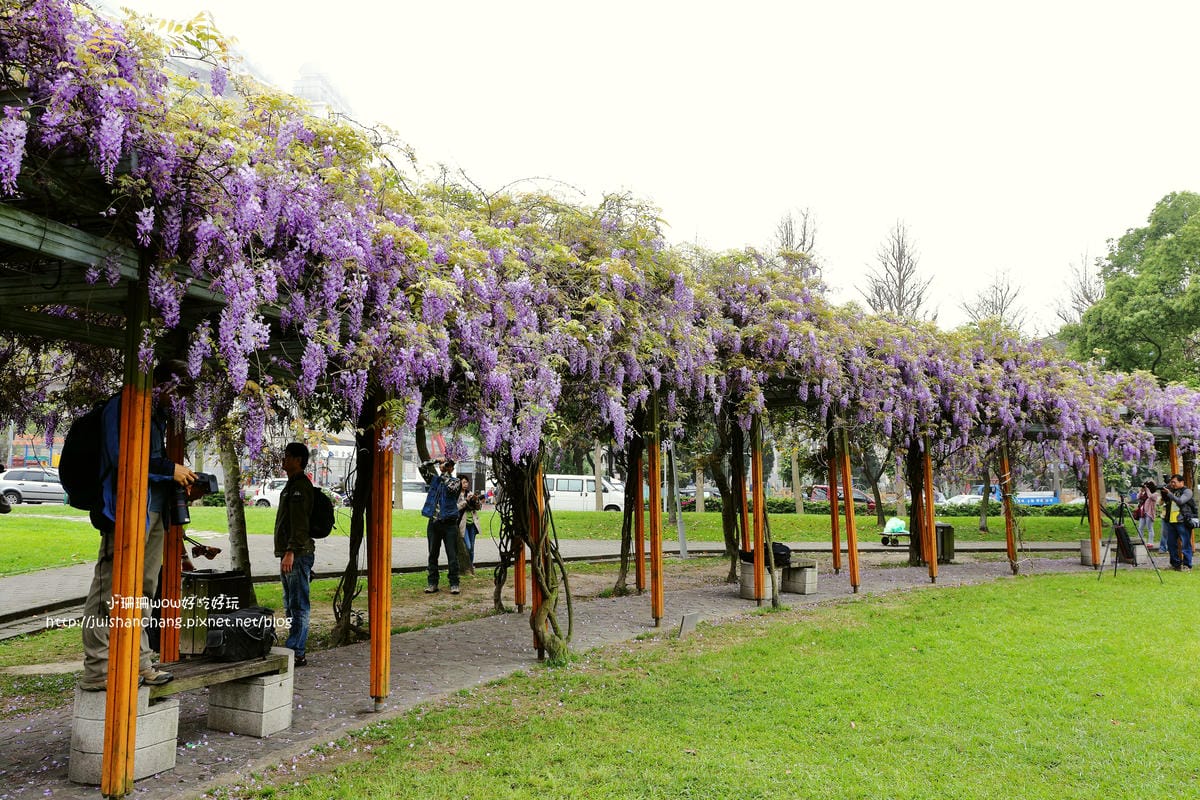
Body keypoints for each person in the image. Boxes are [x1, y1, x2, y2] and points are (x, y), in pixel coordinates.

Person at [79, 362, 198, 691]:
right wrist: (170, 469)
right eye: (175, 392)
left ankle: (140, 662)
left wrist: (181, 478)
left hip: (154, 513)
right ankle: (99, 669)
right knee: (109, 591)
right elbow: (125, 458)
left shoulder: (158, 414)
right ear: (160, 382)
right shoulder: (123, 405)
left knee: (142, 592)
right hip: (124, 512)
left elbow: (155, 462)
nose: (176, 401)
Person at [274, 442, 315, 666]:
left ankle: (297, 651)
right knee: (290, 603)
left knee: (299, 604)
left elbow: (299, 525)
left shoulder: (300, 486)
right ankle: (294, 647)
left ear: (298, 460)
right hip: (289, 554)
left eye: (288, 456)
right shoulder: (292, 485)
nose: (284, 459)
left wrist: (290, 551)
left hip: (297, 554)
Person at [420, 457, 462, 594]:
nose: (445, 467)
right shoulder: (434, 479)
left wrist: (444, 472)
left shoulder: (456, 482)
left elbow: (450, 488)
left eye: (449, 465)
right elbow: (422, 468)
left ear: (452, 468)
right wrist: (434, 461)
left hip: (449, 524)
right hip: (434, 522)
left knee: (452, 555)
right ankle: (432, 583)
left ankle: (454, 583)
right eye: (445, 465)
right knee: (432, 554)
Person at [1159, 473, 1194, 571]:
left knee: (1185, 544)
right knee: (1170, 544)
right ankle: (1175, 564)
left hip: (1183, 521)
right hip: (1171, 521)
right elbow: (1164, 502)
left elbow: (1180, 501)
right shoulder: (1172, 491)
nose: (1172, 484)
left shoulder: (1187, 491)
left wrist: (1169, 494)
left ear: (1181, 482)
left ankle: (1187, 566)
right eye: (1171, 482)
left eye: (1174, 482)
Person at [457, 476, 481, 574]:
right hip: (464, 525)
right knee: (468, 546)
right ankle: (465, 566)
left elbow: (478, 508)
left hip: (472, 524)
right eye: (463, 482)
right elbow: (457, 507)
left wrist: (476, 500)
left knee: (472, 548)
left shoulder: (470, 493)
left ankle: (471, 567)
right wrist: (466, 501)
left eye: (467, 482)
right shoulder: (457, 495)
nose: (466, 484)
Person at [1135, 480, 1161, 552]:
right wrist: (1141, 490)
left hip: (1149, 513)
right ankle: (1140, 540)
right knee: (1140, 527)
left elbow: (1150, 496)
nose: (1145, 488)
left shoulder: (1155, 494)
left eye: (1147, 486)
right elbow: (1137, 497)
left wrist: (1147, 490)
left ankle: (1150, 542)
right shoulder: (1144, 493)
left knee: (1149, 528)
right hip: (1142, 513)